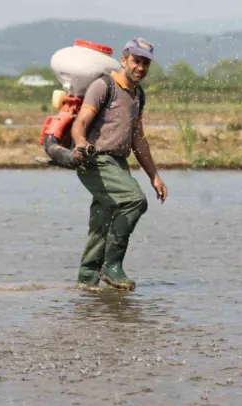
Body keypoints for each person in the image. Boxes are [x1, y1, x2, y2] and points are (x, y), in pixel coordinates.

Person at [69, 36, 168, 291]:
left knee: (101, 223)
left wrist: (154, 175)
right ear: (124, 60)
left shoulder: (138, 95)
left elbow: (138, 138)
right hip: (95, 160)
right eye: (136, 61)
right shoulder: (104, 86)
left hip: (118, 163)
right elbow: (79, 124)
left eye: (145, 63)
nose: (140, 68)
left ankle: (86, 282)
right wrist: (80, 142)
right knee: (135, 200)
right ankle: (112, 266)